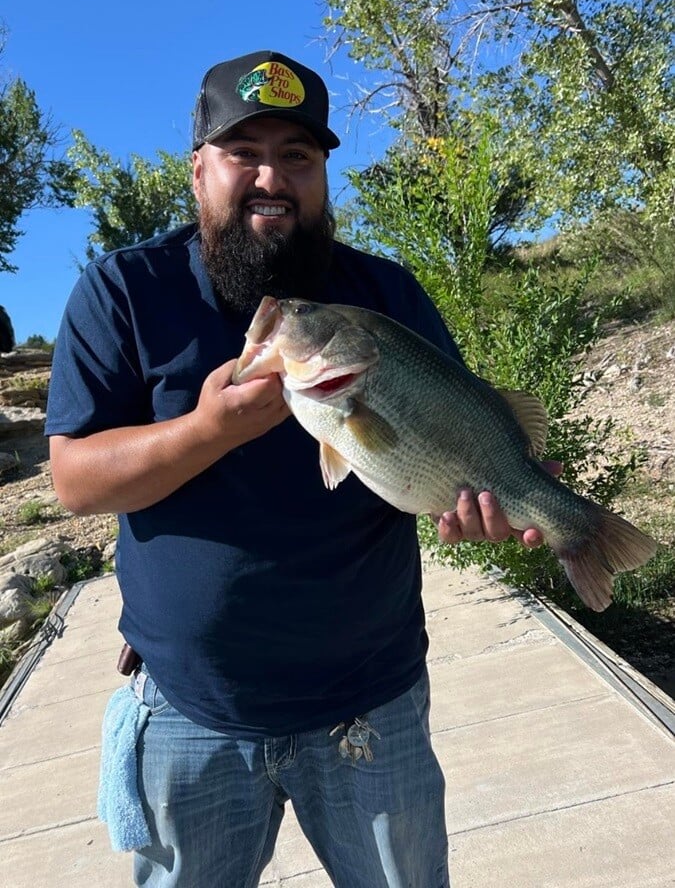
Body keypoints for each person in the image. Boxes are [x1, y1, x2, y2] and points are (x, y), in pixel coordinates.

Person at [47, 51, 552, 888]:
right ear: (199, 166)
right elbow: (74, 481)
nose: (270, 176)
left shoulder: (384, 293)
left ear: (321, 174)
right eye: (245, 152)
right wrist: (207, 430)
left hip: (373, 703)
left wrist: (480, 501)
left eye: (297, 156)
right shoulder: (124, 291)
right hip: (186, 709)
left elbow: (458, 442)